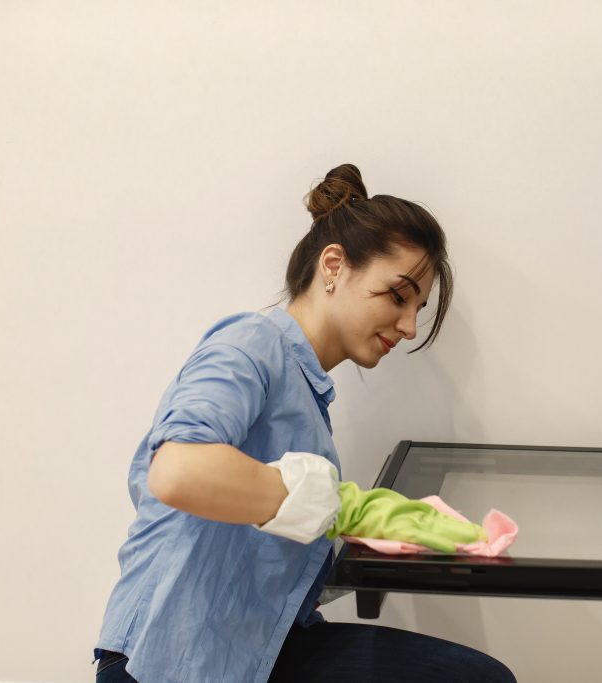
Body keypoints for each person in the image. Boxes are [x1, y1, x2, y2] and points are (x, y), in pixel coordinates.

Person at [93, 164, 517, 683]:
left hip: (262, 650)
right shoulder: (251, 343)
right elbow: (178, 471)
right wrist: (336, 505)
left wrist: (379, 529)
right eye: (399, 296)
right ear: (333, 265)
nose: (408, 327)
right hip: (166, 662)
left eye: (418, 309)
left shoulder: (308, 395)